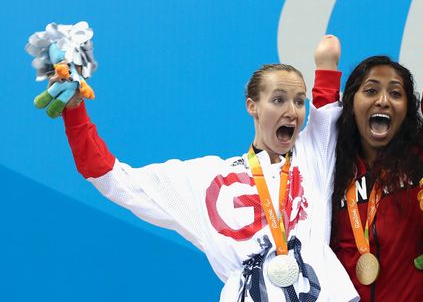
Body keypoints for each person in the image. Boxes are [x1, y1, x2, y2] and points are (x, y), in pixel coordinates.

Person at [57, 36, 358, 302]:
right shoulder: (207, 180)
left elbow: (325, 103)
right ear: (252, 106)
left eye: (298, 101)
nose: (292, 111)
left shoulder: (312, 159)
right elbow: (112, 179)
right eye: (278, 100)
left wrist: (326, 62)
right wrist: (74, 111)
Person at [314, 32, 423, 302]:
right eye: (370, 90)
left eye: (395, 93)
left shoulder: (422, 156)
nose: (383, 100)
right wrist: (326, 71)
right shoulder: (332, 165)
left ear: (406, 109)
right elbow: (321, 123)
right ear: (351, 105)